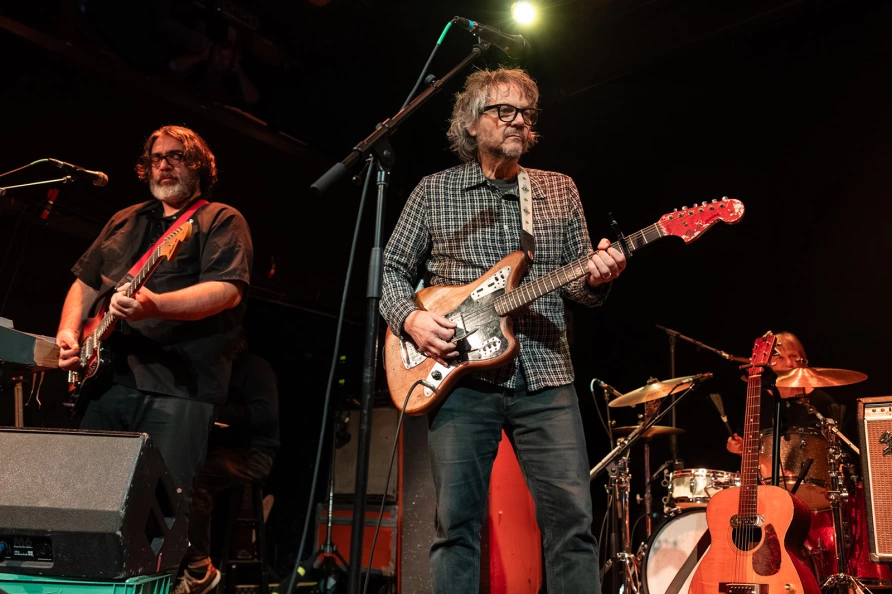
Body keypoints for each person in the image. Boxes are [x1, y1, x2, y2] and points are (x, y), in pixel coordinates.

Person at [379, 68, 626, 594]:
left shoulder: (558, 191)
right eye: (505, 111)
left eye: (527, 114)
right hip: (460, 378)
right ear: (471, 123)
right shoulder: (434, 191)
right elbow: (392, 270)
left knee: (572, 526)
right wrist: (412, 319)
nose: (520, 122)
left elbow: (579, 286)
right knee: (456, 528)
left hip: (547, 376)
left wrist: (601, 276)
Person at [56, 125, 253, 512]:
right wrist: (68, 333)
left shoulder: (221, 219)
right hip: (105, 383)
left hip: (177, 389)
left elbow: (227, 290)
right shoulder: (125, 219)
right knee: (85, 501)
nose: (163, 165)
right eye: (155, 158)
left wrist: (156, 305)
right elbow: (85, 283)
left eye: (175, 156)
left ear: (199, 166)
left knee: (157, 508)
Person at [174, 342, 279, 594]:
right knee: (176, 470)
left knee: (195, 479)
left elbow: (266, 414)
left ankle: (199, 569)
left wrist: (216, 414)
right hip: (228, 452)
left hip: (255, 454)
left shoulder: (254, 368)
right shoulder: (217, 372)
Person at [726, 331, 837, 455]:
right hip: (765, 472)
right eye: (780, 357)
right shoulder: (757, 398)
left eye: (793, 356)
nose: (789, 363)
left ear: (803, 359)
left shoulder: (822, 401)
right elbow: (746, 442)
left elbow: (840, 451)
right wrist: (737, 446)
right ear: (767, 362)